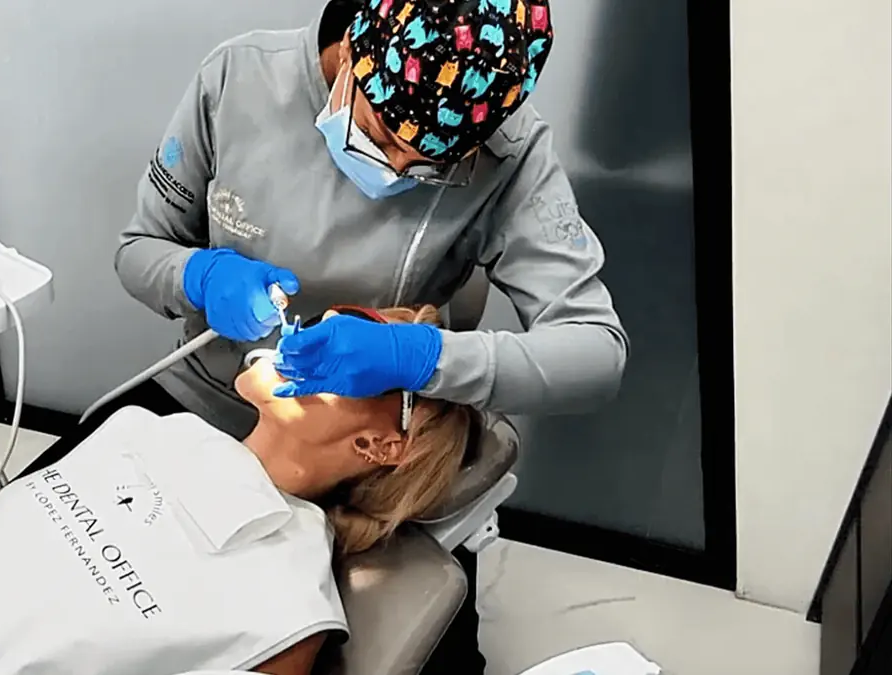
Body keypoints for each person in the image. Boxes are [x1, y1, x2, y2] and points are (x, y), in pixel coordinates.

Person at [58, 0, 628, 672]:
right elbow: (139, 249)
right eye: (382, 133)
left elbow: (595, 353)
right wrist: (199, 276)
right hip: (200, 400)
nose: (392, 168)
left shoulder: (509, 152)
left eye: (424, 167)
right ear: (356, 45)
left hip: (346, 474)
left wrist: (417, 356)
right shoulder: (238, 79)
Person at [0, 306, 485, 675]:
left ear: (384, 443)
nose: (310, 334)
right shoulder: (143, 425)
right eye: (327, 316)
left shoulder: (290, 604)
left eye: (354, 346)